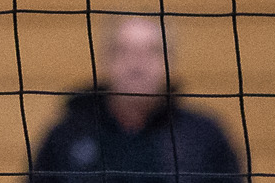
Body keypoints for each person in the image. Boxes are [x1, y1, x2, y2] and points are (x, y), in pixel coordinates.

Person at [24, 16, 243, 183]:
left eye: (151, 52)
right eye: (124, 51)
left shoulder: (204, 137)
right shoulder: (65, 136)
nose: (137, 65)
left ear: (170, 62)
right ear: (105, 60)